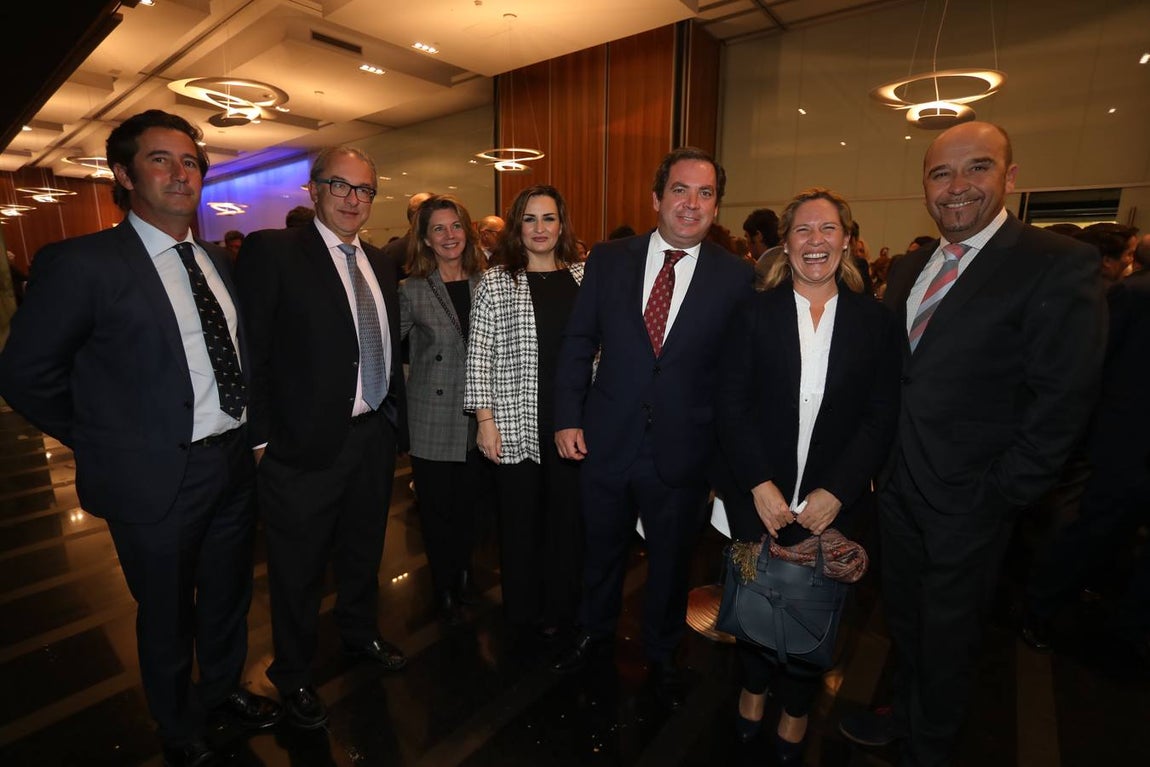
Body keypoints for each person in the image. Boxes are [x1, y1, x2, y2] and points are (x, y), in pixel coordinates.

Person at [0, 109, 280, 767]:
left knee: (228, 595)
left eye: (190, 162)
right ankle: (178, 726)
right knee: (165, 612)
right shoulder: (82, 263)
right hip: (154, 477)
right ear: (124, 175)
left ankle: (222, 690)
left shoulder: (217, 260)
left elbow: (238, 355)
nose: (181, 174)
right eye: (160, 160)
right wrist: (104, 438)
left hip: (230, 463)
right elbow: (25, 374)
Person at [838, 121, 1106, 765]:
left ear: (1010, 177)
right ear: (925, 188)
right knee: (905, 619)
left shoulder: (1054, 262)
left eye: (977, 168)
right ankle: (905, 714)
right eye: (941, 173)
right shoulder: (911, 267)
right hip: (898, 487)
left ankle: (931, 746)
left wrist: (1003, 493)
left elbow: (1064, 399)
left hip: (974, 500)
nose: (957, 186)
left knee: (952, 636)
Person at [549, 147, 754, 710]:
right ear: (656, 198)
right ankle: (593, 633)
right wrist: (567, 416)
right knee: (601, 550)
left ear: (717, 206)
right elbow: (579, 341)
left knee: (671, 561)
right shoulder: (609, 259)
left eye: (705, 193)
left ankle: (664, 654)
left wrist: (725, 458)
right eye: (680, 190)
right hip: (605, 437)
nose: (691, 203)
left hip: (685, 448)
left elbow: (738, 374)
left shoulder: (738, 277)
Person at [716, 187, 901, 763]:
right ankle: (752, 689)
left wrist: (837, 492)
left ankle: (796, 709)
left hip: (832, 504)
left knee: (815, 605)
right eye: (803, 229)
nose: (815, 240)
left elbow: (881, 416)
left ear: (847, 241)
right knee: (752, 596)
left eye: (827, 229)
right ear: (786, 242)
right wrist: (758, 484)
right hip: (754, 496)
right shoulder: (751, 313)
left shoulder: (876, 322)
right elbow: (730, 404)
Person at [235, 145, 409, 732]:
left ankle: (359, 634)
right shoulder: (274, 251)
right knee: (298, 569)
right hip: (300, 448)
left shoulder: (380, 262)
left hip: (371, 436)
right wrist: (260, 440)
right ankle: (293, 673)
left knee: (363, 551)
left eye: (365, 190)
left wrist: (391, 422)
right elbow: (252, 352)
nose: (354, 199)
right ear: (313, 189)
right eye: (341, 185)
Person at [465, 185, 586, 639]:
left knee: (567, 524)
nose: (540, 228)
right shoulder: (497, 282)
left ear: (562, 224)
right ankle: (523, 614)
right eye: (530, 219)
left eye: (548, 218)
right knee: (520, 525)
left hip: (573, 423)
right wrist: (485, 423)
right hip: (514, 422)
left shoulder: (584, 278)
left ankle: (562, 610)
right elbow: (478, 357)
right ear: (517, 227)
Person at [400, 194, 486, 625]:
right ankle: (444, 586)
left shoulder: (488, 282)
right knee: (437, 512)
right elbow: (386, 346)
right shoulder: (412, 289)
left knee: (471, 508)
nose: (449, 235)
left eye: (455, 226)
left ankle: (465, 575)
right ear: (425, 239)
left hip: (480, 417)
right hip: (431, 415)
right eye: (438, 228)